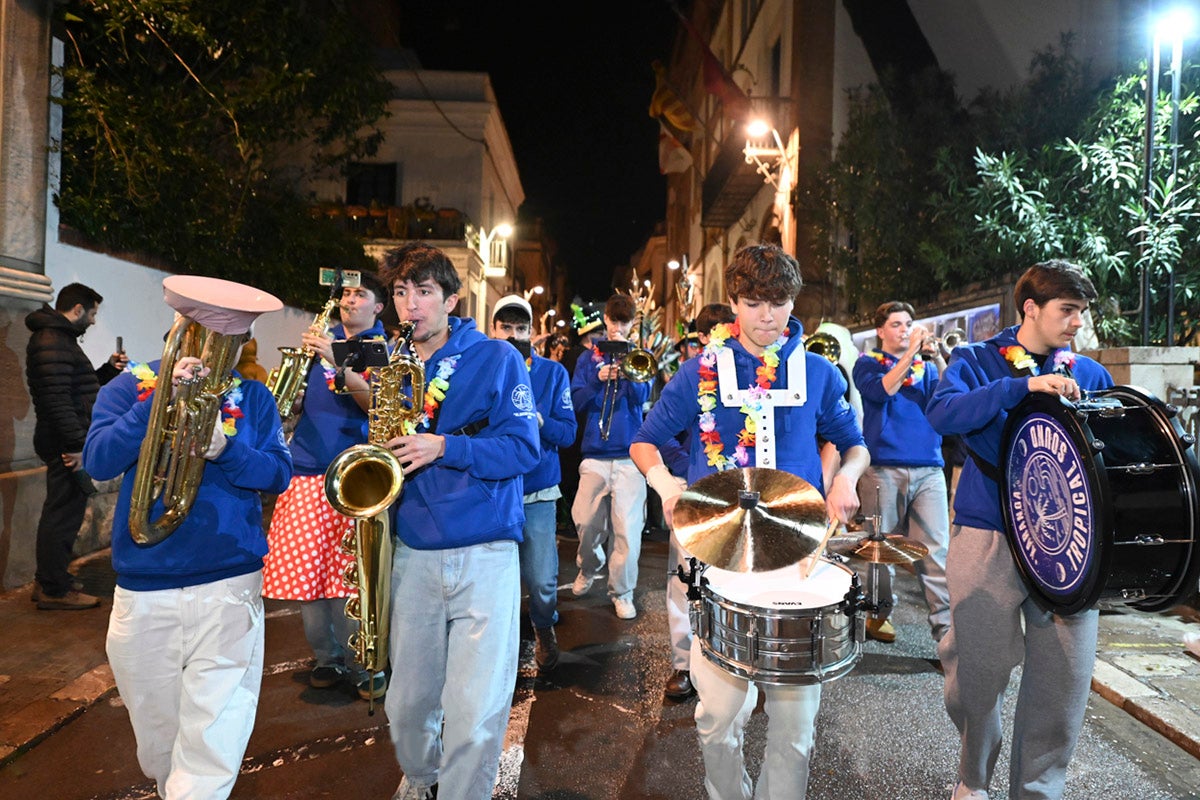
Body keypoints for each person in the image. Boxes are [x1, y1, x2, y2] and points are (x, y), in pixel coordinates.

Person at [631, 243, 869, 799]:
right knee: (717, 718)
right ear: (734, 302)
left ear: (793, 302)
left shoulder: (818, 371)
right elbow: (645, 441)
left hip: (799, 553)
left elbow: (853, 442)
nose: (767, 316)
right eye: (754, 302)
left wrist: (846, 477)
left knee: (796, 728)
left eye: (778, 302)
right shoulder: (700, 371)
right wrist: (668, 487)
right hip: (718, 553)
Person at [82, 275, 292, 799]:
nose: (222, 345)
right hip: (145, 586)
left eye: (233, 336)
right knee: (159, 743)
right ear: (179, 326)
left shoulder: (255, 397)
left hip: (229, 583)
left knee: (213, 738)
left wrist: (226, 450)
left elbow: (278, 474)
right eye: (206, 329)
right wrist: (156, 404)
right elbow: (99, 461)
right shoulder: (128, 387)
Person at [924, 260, 1114, 800]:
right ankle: (973, 778)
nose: (1078, 322)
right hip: (988, 533)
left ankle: (1037, 791)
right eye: (1068, 310)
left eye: (1082, 311)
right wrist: (1022, 386)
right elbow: (943, 414)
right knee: (978, 675)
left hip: (1071, 545)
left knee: (1064, 682)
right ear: (1031, 307)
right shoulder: (976, 359)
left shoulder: (1089, 373)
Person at [377, 243, 539, 800]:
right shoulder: (391, 365)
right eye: (401, 292)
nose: (411, 305)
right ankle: (423, 779)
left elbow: (524, 449)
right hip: (413, 550)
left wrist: (446, 447)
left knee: (475, 708)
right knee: (406, 704)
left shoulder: (497, 357)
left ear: (451, 299)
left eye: (424, 292)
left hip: (485, 551)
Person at [261, 270, 389, 700]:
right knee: (308, 576)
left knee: (351, 577)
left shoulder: (380, 349)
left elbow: (378, 405)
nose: (349, 300)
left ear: (379, 307)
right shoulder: (322, 340)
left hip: (356, 473)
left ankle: (364, 661)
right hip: (305, 468)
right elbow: (299, 403)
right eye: (346, 293)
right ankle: (326, 656)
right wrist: (293, 395)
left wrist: (337, 362)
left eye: (360, 294)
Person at [851, 301, 951, 644]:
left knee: (936, 551)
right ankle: (878, 614)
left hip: (929, 467)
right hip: (883, 468)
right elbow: (882, 390)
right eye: (896, 324)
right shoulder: (867, 363)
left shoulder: (925, 367)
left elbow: (947, 397)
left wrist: (938, 358)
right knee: (881, 548)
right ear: (880, 331)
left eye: (909, 323)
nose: (905, 329)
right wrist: (910, 353)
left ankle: (946, 631)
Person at [24, 282, 127, 610]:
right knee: (62, 516)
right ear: (78, 309)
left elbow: (77, 390)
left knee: (64, 513)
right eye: (92, 314)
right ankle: (54, 590)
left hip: (66, 439)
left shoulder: (59, 339)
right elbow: (56, 402)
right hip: (65, 444)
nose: (93, 321)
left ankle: (52, 580)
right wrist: (77, 446)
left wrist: (109, 370)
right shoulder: (51, 340)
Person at [488, 294, 577, 671]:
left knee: (541, 580)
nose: (512, 335)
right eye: (505, 327)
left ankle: (543, 626)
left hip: (538, 491)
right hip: (492, 490)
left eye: (520, 328)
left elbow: (568, 433)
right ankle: (499, 647)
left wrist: (540, 421)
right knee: (495, 581)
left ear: (531, 332)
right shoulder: (480, 369)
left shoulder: (553, 374)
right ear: (493, 329)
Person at [663, 301, 736, 701]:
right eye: (722, 332)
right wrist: (683, 469)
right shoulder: (691, 375)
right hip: (696, 492)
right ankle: (683, 664)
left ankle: (736, 662)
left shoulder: (751, 373)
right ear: (704, 338)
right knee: (686, 580)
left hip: (741, 494)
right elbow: (658, 435)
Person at [570, 293, 652, 619]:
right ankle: (589, 565)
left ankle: (622, 592)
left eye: (624, 322)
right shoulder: (587, 359)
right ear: (606, 320)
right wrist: (597, 378)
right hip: (595, 454)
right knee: (585, 521)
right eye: (614, 321)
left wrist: (628, 374)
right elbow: (576, 401)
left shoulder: (639, 355)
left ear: (632, 323)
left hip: (630, 457)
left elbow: (644, 397)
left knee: (627, 531)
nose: (618, 327)